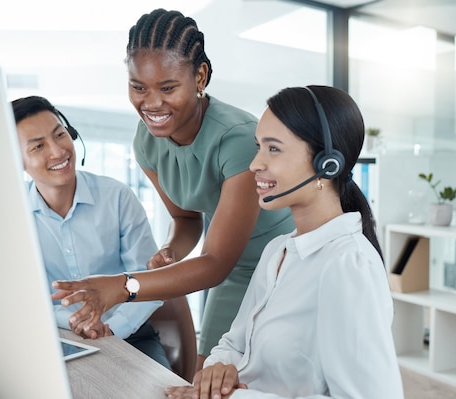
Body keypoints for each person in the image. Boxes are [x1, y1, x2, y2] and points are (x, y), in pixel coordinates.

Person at [51, 8, 295, 371]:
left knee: (259, 377)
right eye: (138, 87)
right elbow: (186, 217)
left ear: (200, 76)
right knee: (209, 378)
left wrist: (122, 286)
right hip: (223, 264)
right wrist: (171, 249)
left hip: (278, 264)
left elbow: (214, 263)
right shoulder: (147, 142)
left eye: (168, 88)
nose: (151, 104)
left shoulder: (238, 139)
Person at [163, 85, 404, 398]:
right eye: (258, 146)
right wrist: (220, 368)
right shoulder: (278, 251)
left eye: (273, 149)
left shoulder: (348, 265)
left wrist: (235, 397)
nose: (255, 164)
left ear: (326, 164)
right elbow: (234, 344)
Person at [11, 95, 170, 369]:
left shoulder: (117, 197)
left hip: (129, 335)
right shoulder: (12, 218)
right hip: (53, 338)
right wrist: (76, 325)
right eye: (38, 146)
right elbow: (19, 301)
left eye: (60, 135)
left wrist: (110, 329)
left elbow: (149, 283)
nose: (58, 151)